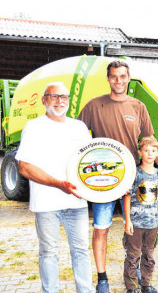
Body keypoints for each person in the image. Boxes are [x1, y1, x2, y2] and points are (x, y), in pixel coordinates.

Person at [78, 60, 158, 293]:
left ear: (129, 78)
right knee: (101, 228)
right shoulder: (93, 106)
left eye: (122, 76)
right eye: (114, 77)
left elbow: (151, 141)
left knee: (137, 226)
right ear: (108, 79)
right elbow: (76, 139)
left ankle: (136, 270)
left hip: (134, 179)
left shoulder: (138, 107)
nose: (118, 81)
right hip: (103, 181)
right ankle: (103, 279)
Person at [16, 82, 94, 293]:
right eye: (54, 96)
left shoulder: (78, 127)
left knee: (81, 252)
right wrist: (58, 184)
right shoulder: (33, 127)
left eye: (64, 97)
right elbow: (24, 167)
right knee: (49, 253)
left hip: (76, 201)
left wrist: (112, 184)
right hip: (46, 203)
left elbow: (91, 160)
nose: (59, 101)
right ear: (44, 100)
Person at [123, 137, 158, 293]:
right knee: (133, 256)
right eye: (146, 151)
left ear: (157, 153)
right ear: (140, 152)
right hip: (135, 224)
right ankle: (132, 287)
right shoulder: (134, 173)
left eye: (153, 151)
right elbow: (127, 197)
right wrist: (127, 221)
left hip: (153, 224)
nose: (150, 154)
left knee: (148, 256)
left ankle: (146, 284)